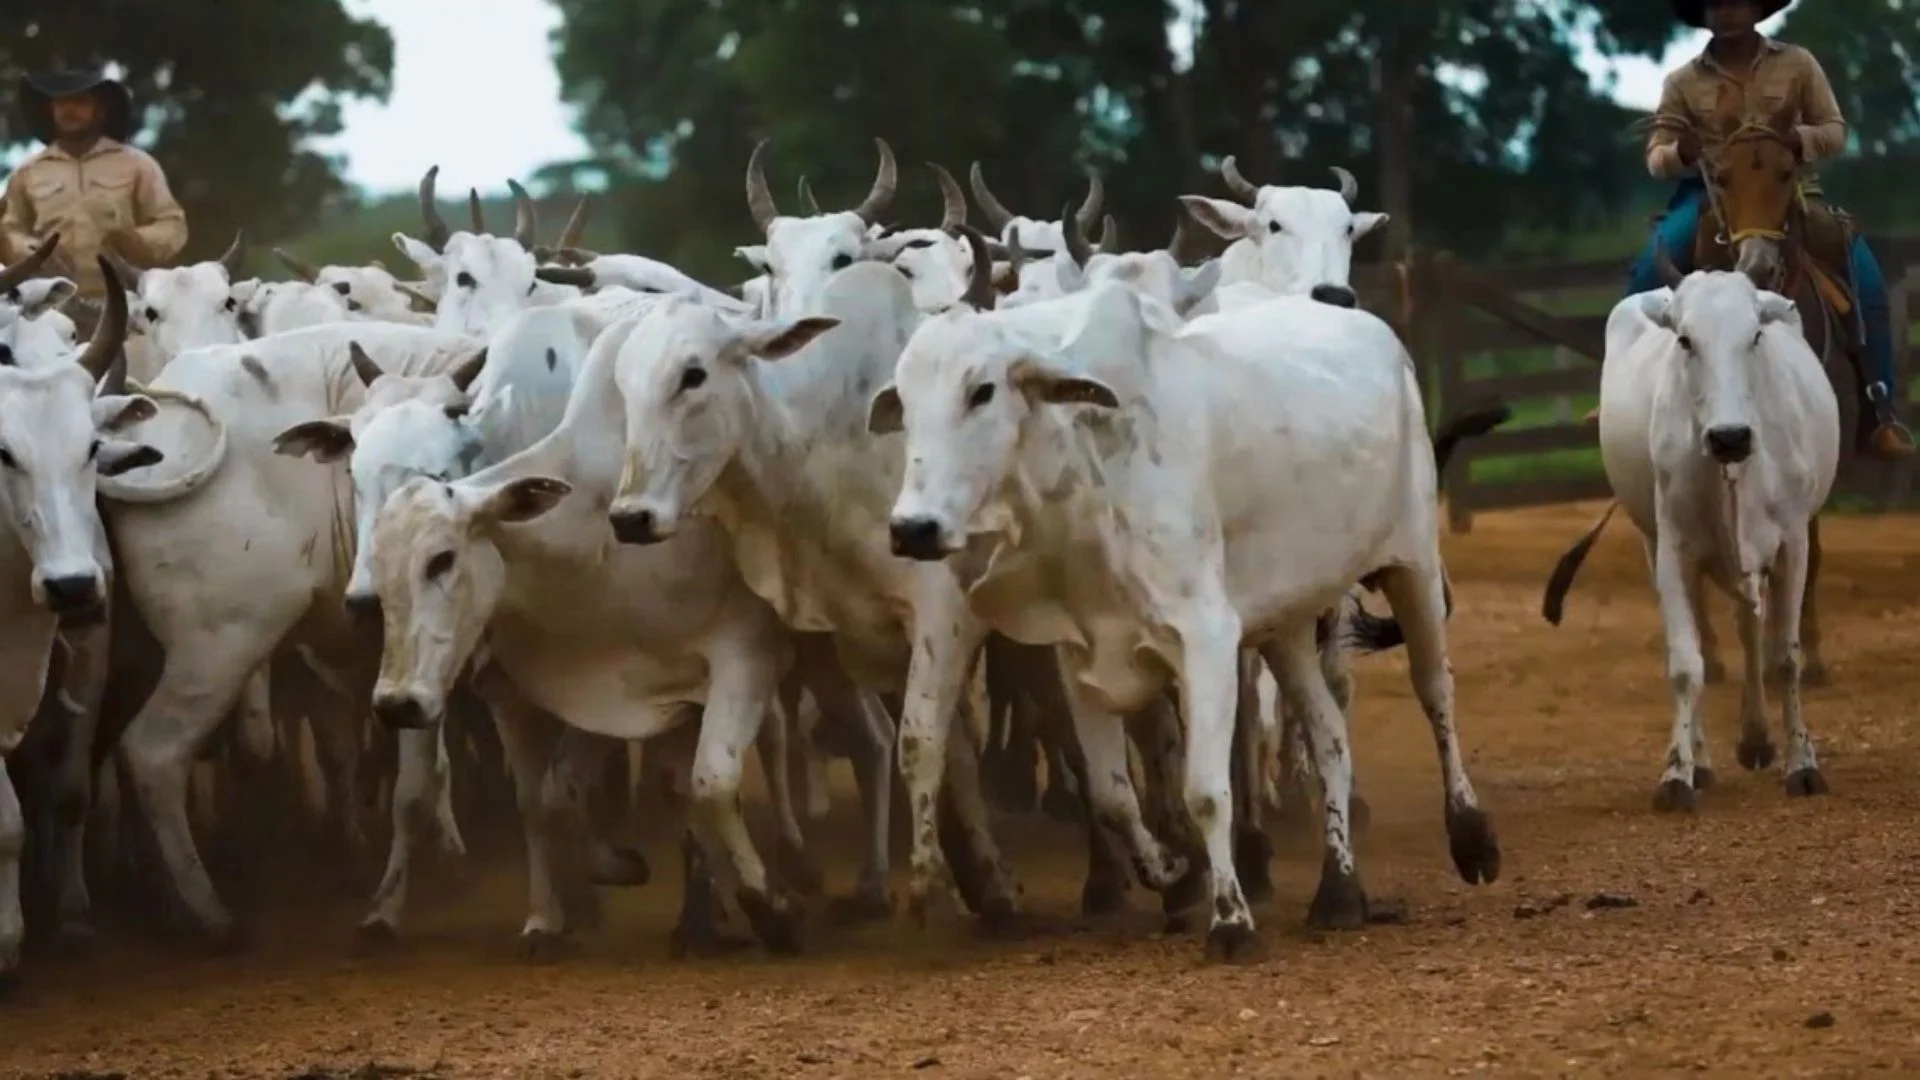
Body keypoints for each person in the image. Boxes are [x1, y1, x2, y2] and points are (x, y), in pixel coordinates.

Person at [1627, 0, 1914, 460]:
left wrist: (1801, 140)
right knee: (1647, 269)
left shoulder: (1798, 64)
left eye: (1737, 0)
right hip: (1711, 197)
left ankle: (1879, 408)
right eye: (1715, 3)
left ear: (1758, 7)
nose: (1726, 11)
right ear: (1703, 13)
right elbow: (1655, 155)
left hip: (1791, 191)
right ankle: (1624, 398)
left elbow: (1835, 130)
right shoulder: (1682, 81)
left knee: (1866, 279)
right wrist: (1680, 152)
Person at [2, 67, 187, 325]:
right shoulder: (27, 172)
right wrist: (32, 253)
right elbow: (9, 228)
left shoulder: (137, 165)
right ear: (51, 110)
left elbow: (172, 225)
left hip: (126, 308)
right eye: (61, 103)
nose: (69, 110)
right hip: (52, 312)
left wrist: (136, 240)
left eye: (79, 102)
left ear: (100, 110)